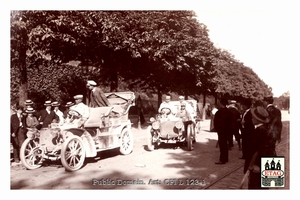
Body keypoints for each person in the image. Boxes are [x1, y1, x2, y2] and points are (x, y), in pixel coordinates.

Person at [245, 103, 276, 189]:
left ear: (258, 119)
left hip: (257, 168)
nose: (251, 118)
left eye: (253, 117)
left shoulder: (260, 131)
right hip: (259, 167)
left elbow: (265, 150)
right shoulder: (264, 129)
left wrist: (260, 167)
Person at [214, 97, 232, 164]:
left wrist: (217, 129)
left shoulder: (219, 112)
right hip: (227, 131)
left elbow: (215, 122)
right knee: (225, 145)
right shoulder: (229, 112)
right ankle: (226, 158)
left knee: (222, 145)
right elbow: (231, 122)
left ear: (221, 103)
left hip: (221, 131)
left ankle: (222, 159)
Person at [240, 98, 254, 164]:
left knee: (247, 143)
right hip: (244, 129)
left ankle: (247, 155)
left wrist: (245, 122)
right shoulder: (244, 112)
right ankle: (244, 154)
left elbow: (251, 121)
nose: (242, 106)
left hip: (248, 130)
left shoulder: (250, 112)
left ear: (246, 105)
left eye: (243, 105)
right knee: (244, 142)